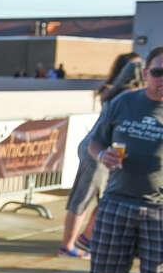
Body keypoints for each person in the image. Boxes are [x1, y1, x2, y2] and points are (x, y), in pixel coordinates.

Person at [73, 45, 163, 273]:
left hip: (159, 207)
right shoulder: (124, 102)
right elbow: (94, 141)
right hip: (117, 202)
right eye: (157, 72)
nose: (161, 79)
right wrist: (102, 156)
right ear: (147, 72)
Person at [58, 52, 145, 257]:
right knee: (83, 198)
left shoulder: (117, 92)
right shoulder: (121, 95)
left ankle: (85, 238)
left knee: (107, 198)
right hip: (97, 151)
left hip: (108, 151)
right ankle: (68, 245)